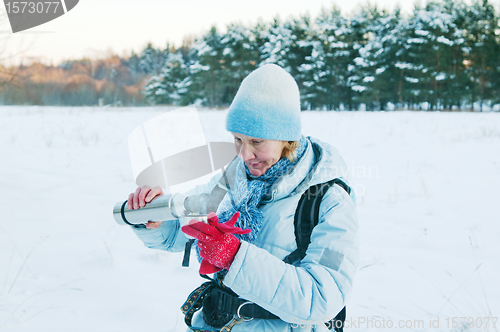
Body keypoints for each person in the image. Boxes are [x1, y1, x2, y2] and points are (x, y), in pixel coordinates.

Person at [126, 64, 359, 331]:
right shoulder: (234, 178)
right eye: (238, 139)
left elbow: (322, 297)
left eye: (257, 142)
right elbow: (183, 230)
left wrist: (235, 256)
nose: (244, 154)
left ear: (287, 137)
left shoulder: (328, 200)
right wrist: (155, 217)